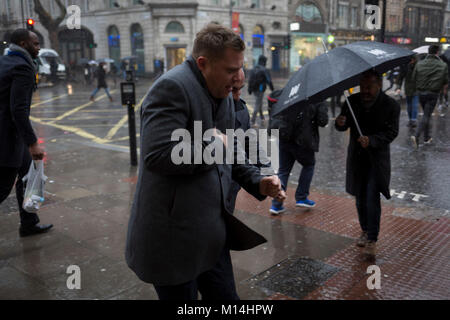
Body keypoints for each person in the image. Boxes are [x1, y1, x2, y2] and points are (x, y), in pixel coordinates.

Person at [125, 23, 285, 301]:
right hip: (174, 241)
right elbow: (158, 155)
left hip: (211, 234)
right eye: (231, 69)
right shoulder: (171, 87)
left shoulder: (220, 90)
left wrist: (258, 181)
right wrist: (213, 144)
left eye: (240, 68)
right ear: (203, 63)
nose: (238, 78)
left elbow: (231, 152)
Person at [335, 70, 400, 258]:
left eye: (369, 87)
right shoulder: (351, 101)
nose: (365, 91)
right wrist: (340, 122)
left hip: (376, 160)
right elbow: (342, 125)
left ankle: (372, 237)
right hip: (357, 159)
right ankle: (364, 229)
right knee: (360, 196)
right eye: (362, 87)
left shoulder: (390, 105)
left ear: (378, 84)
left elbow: (392, 132)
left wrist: (372, 140)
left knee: (372, 196)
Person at [0, 29, 53, 237]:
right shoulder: (22, 67)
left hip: (11, 135)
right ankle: (29, 222)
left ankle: (29, 222)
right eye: (36, 43)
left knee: (30, 174)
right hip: (8, 137)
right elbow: (18, 110)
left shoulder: (5, 62)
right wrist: (33, 143)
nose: (39, 47)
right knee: (3, 186)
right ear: (23, 44)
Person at [269, 100, 329, 214]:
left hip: (285, 137)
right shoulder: (317, 98)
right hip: (303, 140)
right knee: (309, 165)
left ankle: (276, 205)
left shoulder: (292, 94)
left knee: (283, 171)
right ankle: (301, 197)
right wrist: (323, 107)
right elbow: (322, 121)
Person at [411, 44, 448, 149]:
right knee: (426, 115)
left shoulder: (420, 64)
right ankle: (416, 136)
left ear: (428, 52)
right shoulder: (442, 65)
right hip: (433, 93)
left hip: (421, 92)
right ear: (437, 52)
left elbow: (414, 77)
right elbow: (445, 80)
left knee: (425, 115)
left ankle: (426, 137)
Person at [248, 55, 274, 127]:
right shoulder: (264, 69)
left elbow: (250, 79)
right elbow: (269, 80)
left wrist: (249, 89)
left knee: (259, 103)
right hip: (260, 89)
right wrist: (272, 89)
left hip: (253, 89)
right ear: (264, 61)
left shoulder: (254, 68)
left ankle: (262, 117)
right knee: (257, 104)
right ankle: (252, 121)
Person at [396, 56, 419, 127]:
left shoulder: (417, 66)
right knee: (409, 105)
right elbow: (400, 77)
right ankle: (411, 120)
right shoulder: (405, 66)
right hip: (409, 88)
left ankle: (413, 120)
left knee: (414, 104)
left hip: (416, 88)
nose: (412, 61)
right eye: (411, 59)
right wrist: (398, 87)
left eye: (413, 59)